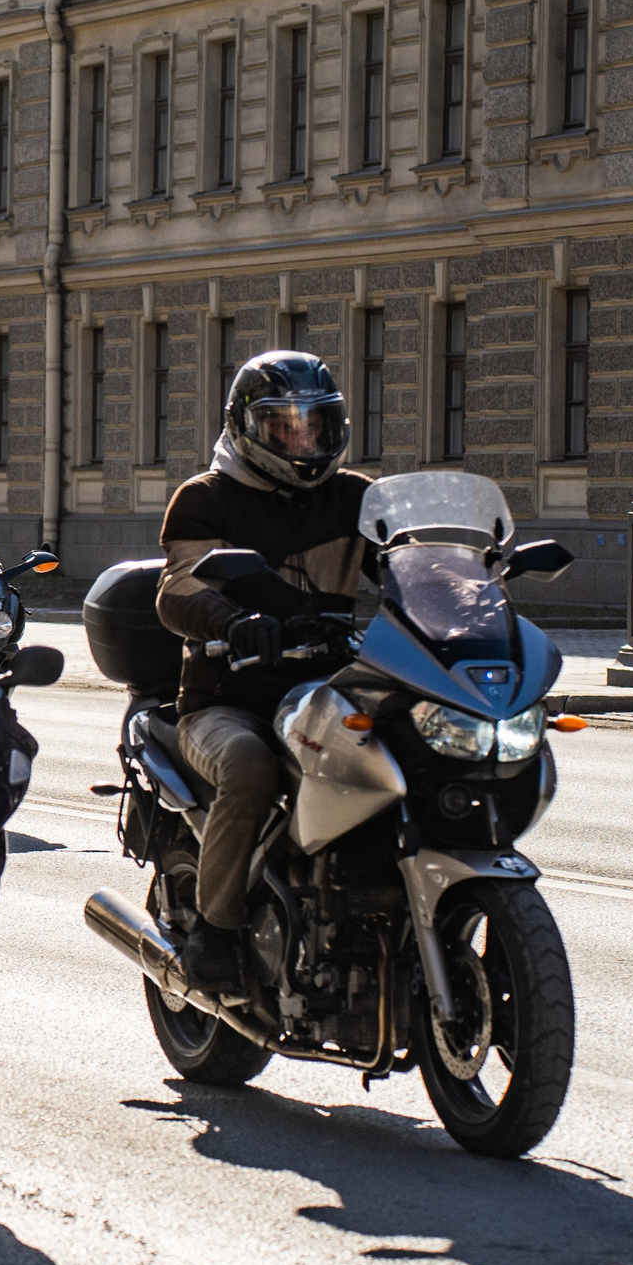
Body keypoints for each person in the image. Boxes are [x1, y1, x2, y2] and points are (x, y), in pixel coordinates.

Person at [156, 351, 374, 991]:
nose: (302, 441)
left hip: (327, 694)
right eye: (284, 428)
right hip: (228, 698)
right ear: (247, 427)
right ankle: (215, 930)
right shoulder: (207, 498)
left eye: (316, 426)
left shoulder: (357, 498)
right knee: (249, 767)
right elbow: (177, 589)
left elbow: (416, 572)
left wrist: (463, 601)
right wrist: (232, 623)